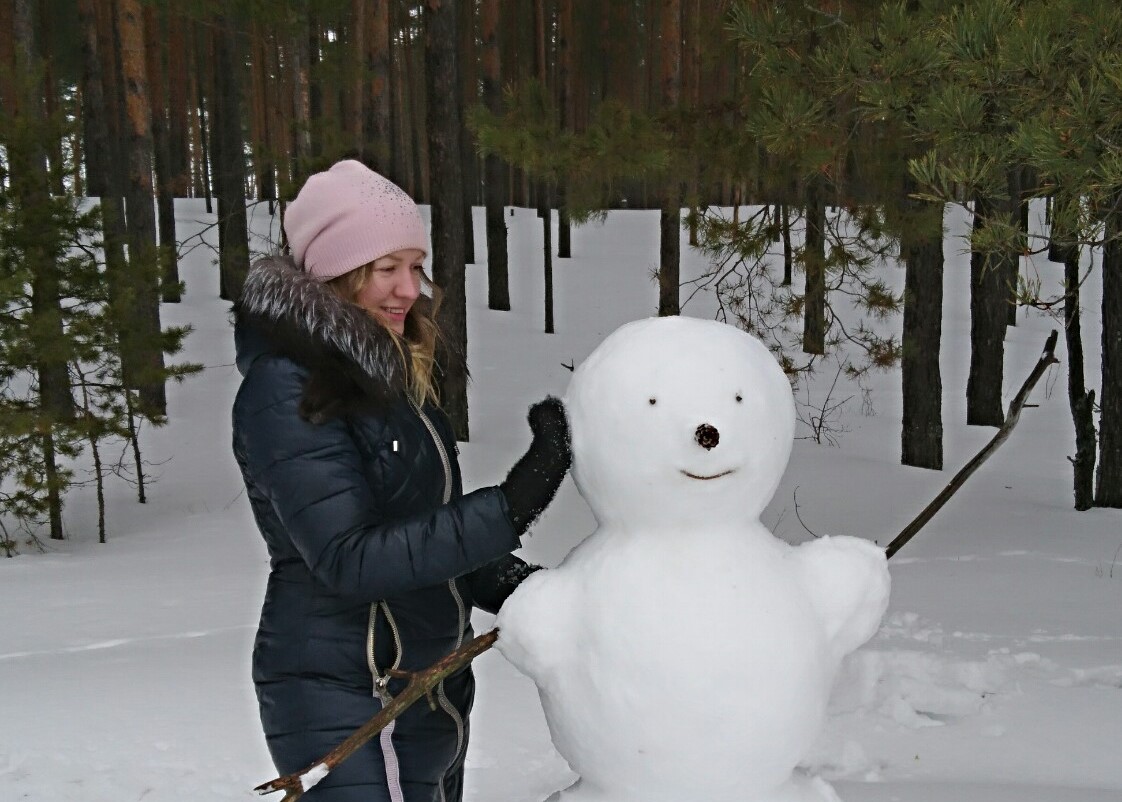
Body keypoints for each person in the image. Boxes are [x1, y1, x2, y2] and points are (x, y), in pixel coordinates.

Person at [231, 159, 571, 802]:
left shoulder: (394, 382)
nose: (410, 289)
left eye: (416, 266)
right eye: (387, 268)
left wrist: (535, 589)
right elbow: (348, 557)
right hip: (340, 689)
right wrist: (512, 504)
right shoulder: (288, 386)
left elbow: (424, 535)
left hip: (428, 689)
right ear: (336, 273)